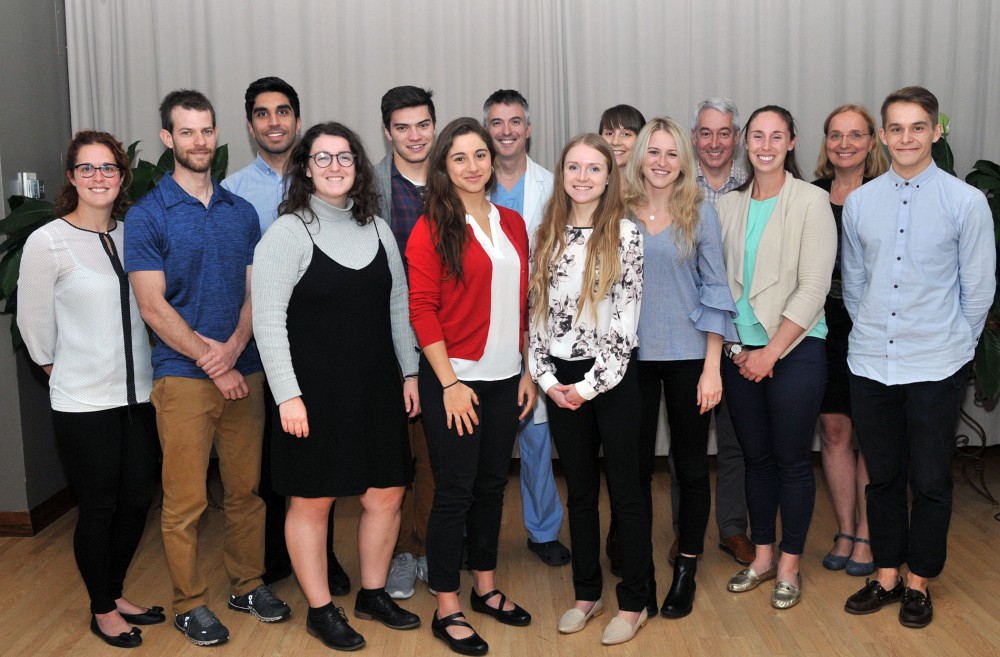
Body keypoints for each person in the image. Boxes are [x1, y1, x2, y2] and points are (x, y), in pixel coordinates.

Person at [125, 89, 290, 646]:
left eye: (206, 130)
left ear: (218, 135)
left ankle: (246, 584)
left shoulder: (240, 212)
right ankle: (189, 601)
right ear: (169, 139)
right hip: (183, 377)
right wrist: (211, 359)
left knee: (247, 491)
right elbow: (152, 305)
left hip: (245, 370)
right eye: (187, 132)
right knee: (187, 500)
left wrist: (237, 344)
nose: (199, 141)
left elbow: (254, 293)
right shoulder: (148, 215)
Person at [253, 122, 422, 650]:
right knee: (312, 502)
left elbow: (398, 306)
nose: (333, 167)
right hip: (312, 395)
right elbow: (267, 319)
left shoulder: (376, 228)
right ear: (305, 167)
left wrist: (410, 371)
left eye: (343, 157)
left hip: (375, 388)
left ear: (358, 166)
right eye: (321, 158)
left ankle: (373, 594)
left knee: (386, 492)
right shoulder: (288, 232)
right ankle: (321, 610)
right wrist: (287, 395)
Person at [842, 86, 995, 628]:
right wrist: (877, 332)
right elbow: (855, 285)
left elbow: (977, 290)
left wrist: (954, 347)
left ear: (936, 132)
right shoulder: (860, 202)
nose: (906, 137)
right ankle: (885, 574)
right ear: (883, 136)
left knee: (930, 479)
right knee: (882, 477)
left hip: (937, 365)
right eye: (896, 128)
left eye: (917, 127)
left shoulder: (966, 202)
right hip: (871, 364)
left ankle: (919, 582)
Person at [18, 131, 161, 649]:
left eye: (108, 168)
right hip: (83, 404)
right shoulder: (48, 240)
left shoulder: (133, 235)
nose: (98, 177)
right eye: (87, 168)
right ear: (72, 177)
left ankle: (115, 590)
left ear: (122, 177)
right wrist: (71, 378)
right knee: (99, 508)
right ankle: (101, 608)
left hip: (140, 398)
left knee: (137, 500)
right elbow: (36, 333)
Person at [407, 117, 535, 655]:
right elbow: (422, 310)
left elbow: (525, 301)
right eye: (459, 157)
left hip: (507, 379)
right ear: (443, 166)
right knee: (454, 494)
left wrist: (528, 370)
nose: (473, 165)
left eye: (480, 154)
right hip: (455, 382)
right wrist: (451, 384)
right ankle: (447, 606)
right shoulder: (431, 226)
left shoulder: (512, 222)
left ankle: (485, 588)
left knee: (489, 488)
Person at [529, 133, 649, 645]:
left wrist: (589, 386)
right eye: (573, 167)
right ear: (563, 174)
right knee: (579, 492)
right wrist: (550, 381)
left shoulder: (626, 233)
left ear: (609, 176)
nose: (582, 176)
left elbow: (624, 322)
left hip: (612, 380)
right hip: (559, 382)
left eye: (593, 168)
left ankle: (637, 600)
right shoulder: (547, 231)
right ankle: (586, 593)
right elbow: (535, 315)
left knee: (626, 493)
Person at [716, 105, 836, 610]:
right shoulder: (726, 206)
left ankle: (790, 563)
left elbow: (813, 288)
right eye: (758, 136)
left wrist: (770, 353)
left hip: (795, 350)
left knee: (791, 461)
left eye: (777, 136)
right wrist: (740, 351)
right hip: (740, 355)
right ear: (746, 141)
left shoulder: (812, 200)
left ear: (791, 142)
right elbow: (716, 287)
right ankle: (762, 556)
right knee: (756, 459)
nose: (765, 145)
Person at [623, 117, 739, 619]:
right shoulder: (618, 210)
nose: (663, 162)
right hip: (629, 360)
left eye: (672, 154)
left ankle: (686, 566)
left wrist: (713, 367)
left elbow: (716, 290)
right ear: (640, 157)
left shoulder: (700, 213)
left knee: (691, 468)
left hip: (691, 357)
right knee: (634, 470)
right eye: (654, 152)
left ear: (683, 161)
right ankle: (640, 571)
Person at [483, 88, 569, 567]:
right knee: (484, 445)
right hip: (487, 329)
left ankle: (542, 532)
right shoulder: (471, 182)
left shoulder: (554, 185)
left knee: (536, 439)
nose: (507, 131)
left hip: (540, 326)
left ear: (529, 128)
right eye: (497, 122)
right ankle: (480, 537)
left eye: (515, 121)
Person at [811, 104, 889, 577]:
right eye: (836, 135)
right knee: (836, 430)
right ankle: (844, 528)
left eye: (855, 135)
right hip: (821, 327)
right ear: (826, 143)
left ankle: (868, 534)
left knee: (872, 433)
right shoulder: (812, 195)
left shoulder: (887, 195)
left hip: (875, 325)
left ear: (871, 142)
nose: (845, 144)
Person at [373, 85, 439, 601]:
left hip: (442, 342)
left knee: (435, 456)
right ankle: (396, 554)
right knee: (391, 458)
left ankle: (425, 548)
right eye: (402, 127)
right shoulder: (367, 187)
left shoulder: (454, 178)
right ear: (387, 131)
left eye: (422, 125)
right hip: (383, 345)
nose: (414, 136)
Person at [684, 98, 755, 567]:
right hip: (688, 337)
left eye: (724, 132)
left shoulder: (757, 190)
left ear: (737, 139)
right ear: (694, 138)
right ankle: (684, 531)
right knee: (687, 447)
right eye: (706, 132)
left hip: (742, 337)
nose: (714, 142)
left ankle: (732, 529)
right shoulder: (674, 189)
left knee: (736, 440)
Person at [596, 102, 646, 577]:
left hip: (645, 337)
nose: (617, 141)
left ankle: (632, 542)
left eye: (627, 133)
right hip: (599, 347)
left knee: (633, 458)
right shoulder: (591, 187)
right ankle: (613, 538)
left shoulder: (650, 188)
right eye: (609, 132)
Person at [599, 104, 646, 170]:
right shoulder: (587, 177)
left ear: (641, 139)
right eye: (609, 133)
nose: (615, 142)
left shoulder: (653, 179)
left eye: (626, 134)